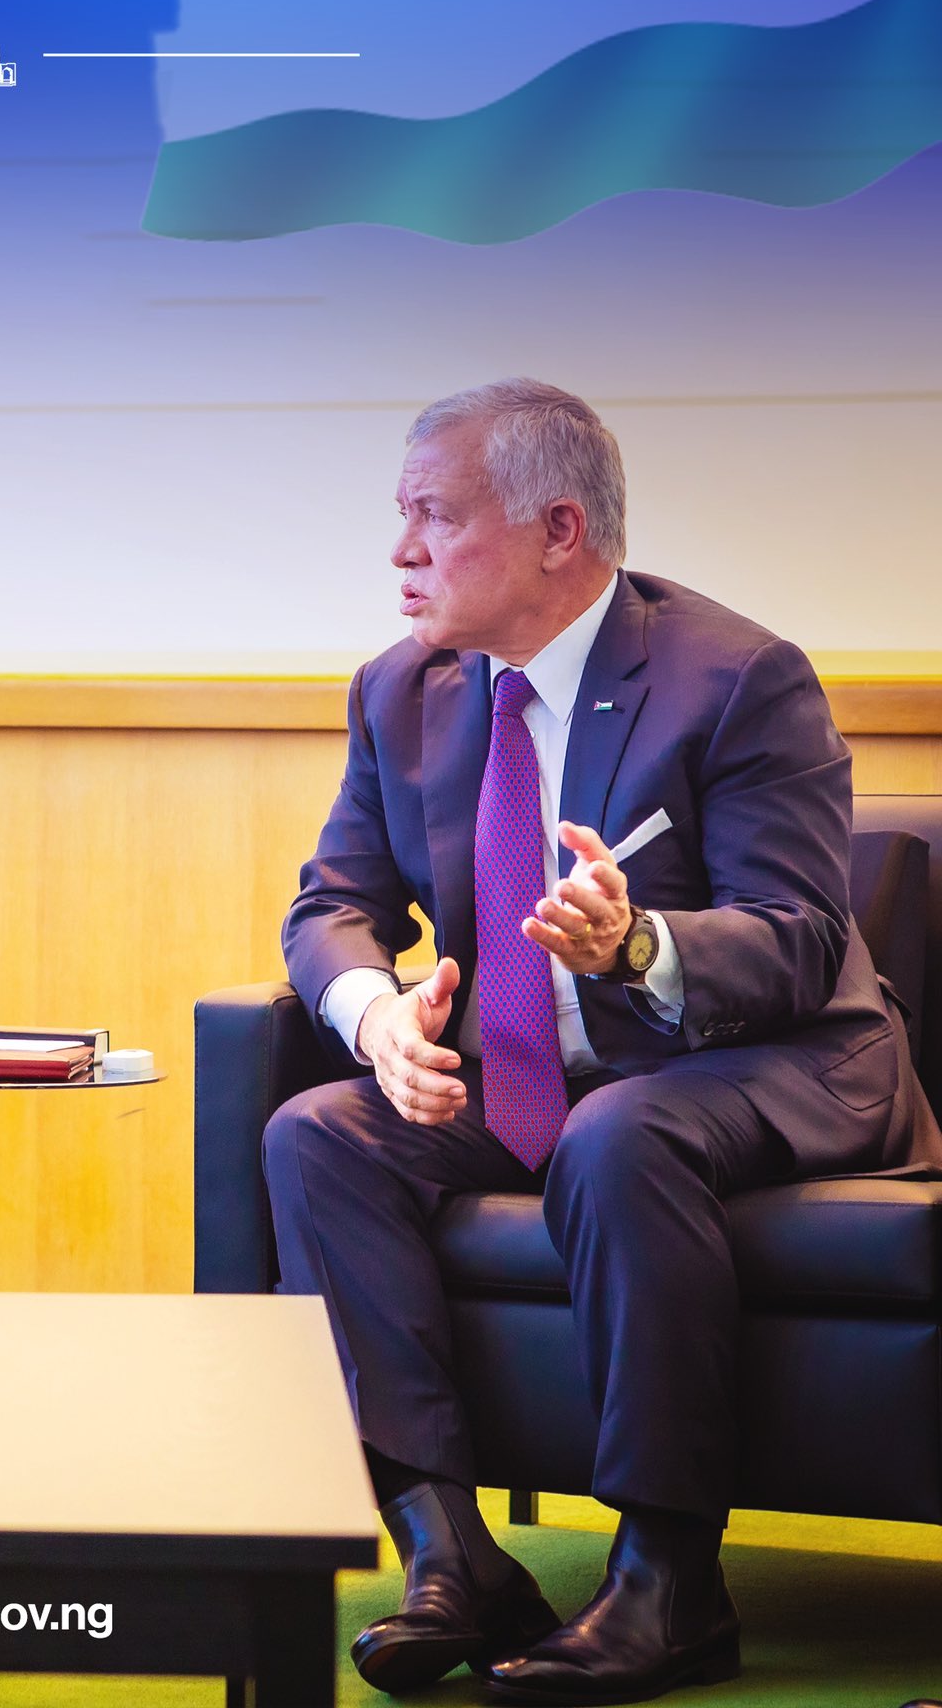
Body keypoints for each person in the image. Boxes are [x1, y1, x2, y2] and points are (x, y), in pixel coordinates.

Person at [265, 380, 942, 1704]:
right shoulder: (400, 694)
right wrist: (377, 1014)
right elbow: (332, 905)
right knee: (321, 1135)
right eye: (397, 517)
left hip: (771, 1064)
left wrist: (640, 946)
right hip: (536, 1072)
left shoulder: (738, 680)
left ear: (556, 529)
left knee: (623, 1133)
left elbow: (803, 936)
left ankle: (668, 1584)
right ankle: (452, 1558)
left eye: (432, 518)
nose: (400, 552)